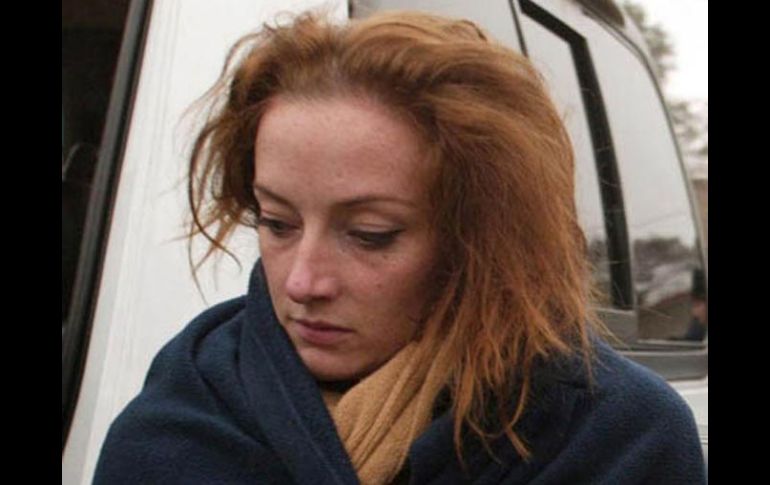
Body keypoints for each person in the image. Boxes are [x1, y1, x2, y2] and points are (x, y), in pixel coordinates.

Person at [93, 10, 706, 484]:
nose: (303, 282)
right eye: (277, 223)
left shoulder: (613, 436)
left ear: (480, 241)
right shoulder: (184, 408)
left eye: (370, 235)